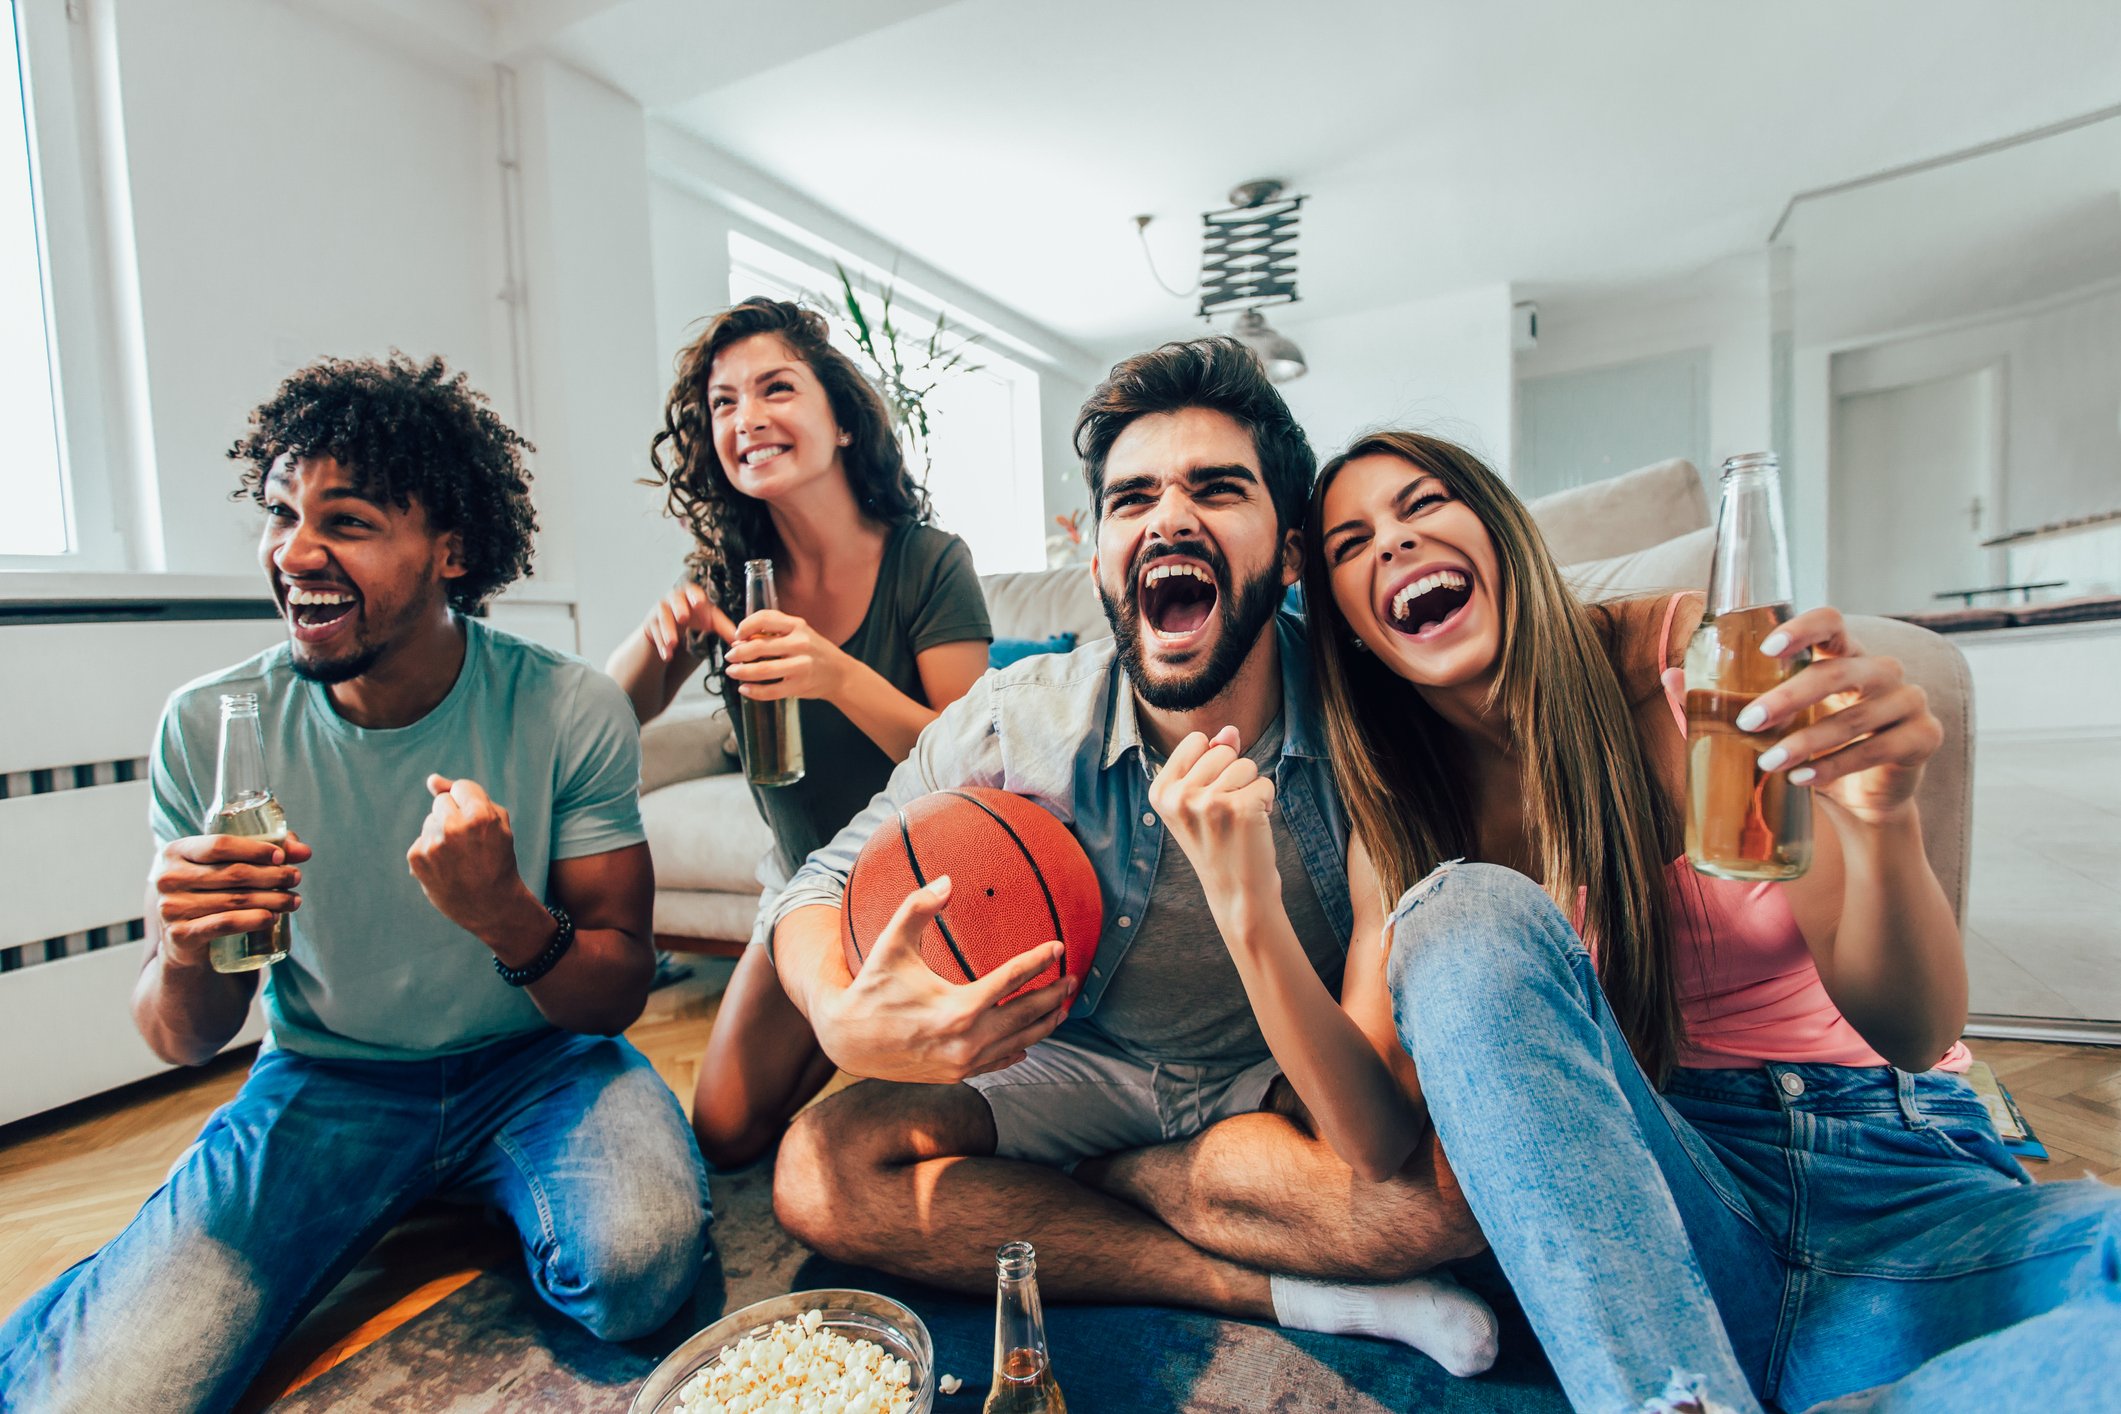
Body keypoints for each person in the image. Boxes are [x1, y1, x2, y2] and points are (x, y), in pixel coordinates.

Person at [1301, 429, 2121, 1412]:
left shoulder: (1696, 672)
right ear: (1345, 621)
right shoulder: (1403, 814)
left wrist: (1882, 820)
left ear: (1502, 530)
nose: (1392, 542)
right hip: (1667, 1224)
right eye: (1351, 543)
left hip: (1905, 1189)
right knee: (1463, 912)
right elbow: (1372, 1141)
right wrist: (1245, 910)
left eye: (1423, 503)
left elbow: (1915, 1031)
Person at [765, 339, 1501, 1378]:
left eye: (1216, 487)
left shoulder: (1375, 728)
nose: (1168, 517)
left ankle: (1112, 1178)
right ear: (1103, 548)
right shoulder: (1017, 725)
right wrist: (837, 1010)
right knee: (817, 1169)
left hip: (1274, 1086)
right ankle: (1269, 1287)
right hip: (1072, 1068)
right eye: (1132, 498)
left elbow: (1375, 1126)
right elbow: (818, 883)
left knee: (1443, 1204)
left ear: (1290, 551)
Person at [0, 355, 709, 1413]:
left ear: (450, 549)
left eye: (349, 519)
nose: (295, 551)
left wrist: (507, 918)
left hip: (541, 1066)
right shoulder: (212, 726)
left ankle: (453, 1189)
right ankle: (391, 1198)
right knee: (102, 1397)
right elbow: (184, 1036)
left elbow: (610, 995)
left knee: (638, 1272)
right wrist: (190, 947)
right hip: (328, 1082)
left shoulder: (568, 708)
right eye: (282, 513)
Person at [607, 298, 992, 1169]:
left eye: (776, 388)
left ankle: (877, 1047)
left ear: (843, 421)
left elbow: (972, 764)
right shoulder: (728, 584)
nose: (747, 419)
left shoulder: (928, 562)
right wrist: (655, 636)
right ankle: (849, 1021)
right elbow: (606, 721)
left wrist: (837, 676)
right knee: (726, 1131)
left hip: (929, 882)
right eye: (723, 402)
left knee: (951, 1127)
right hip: (807, 892)